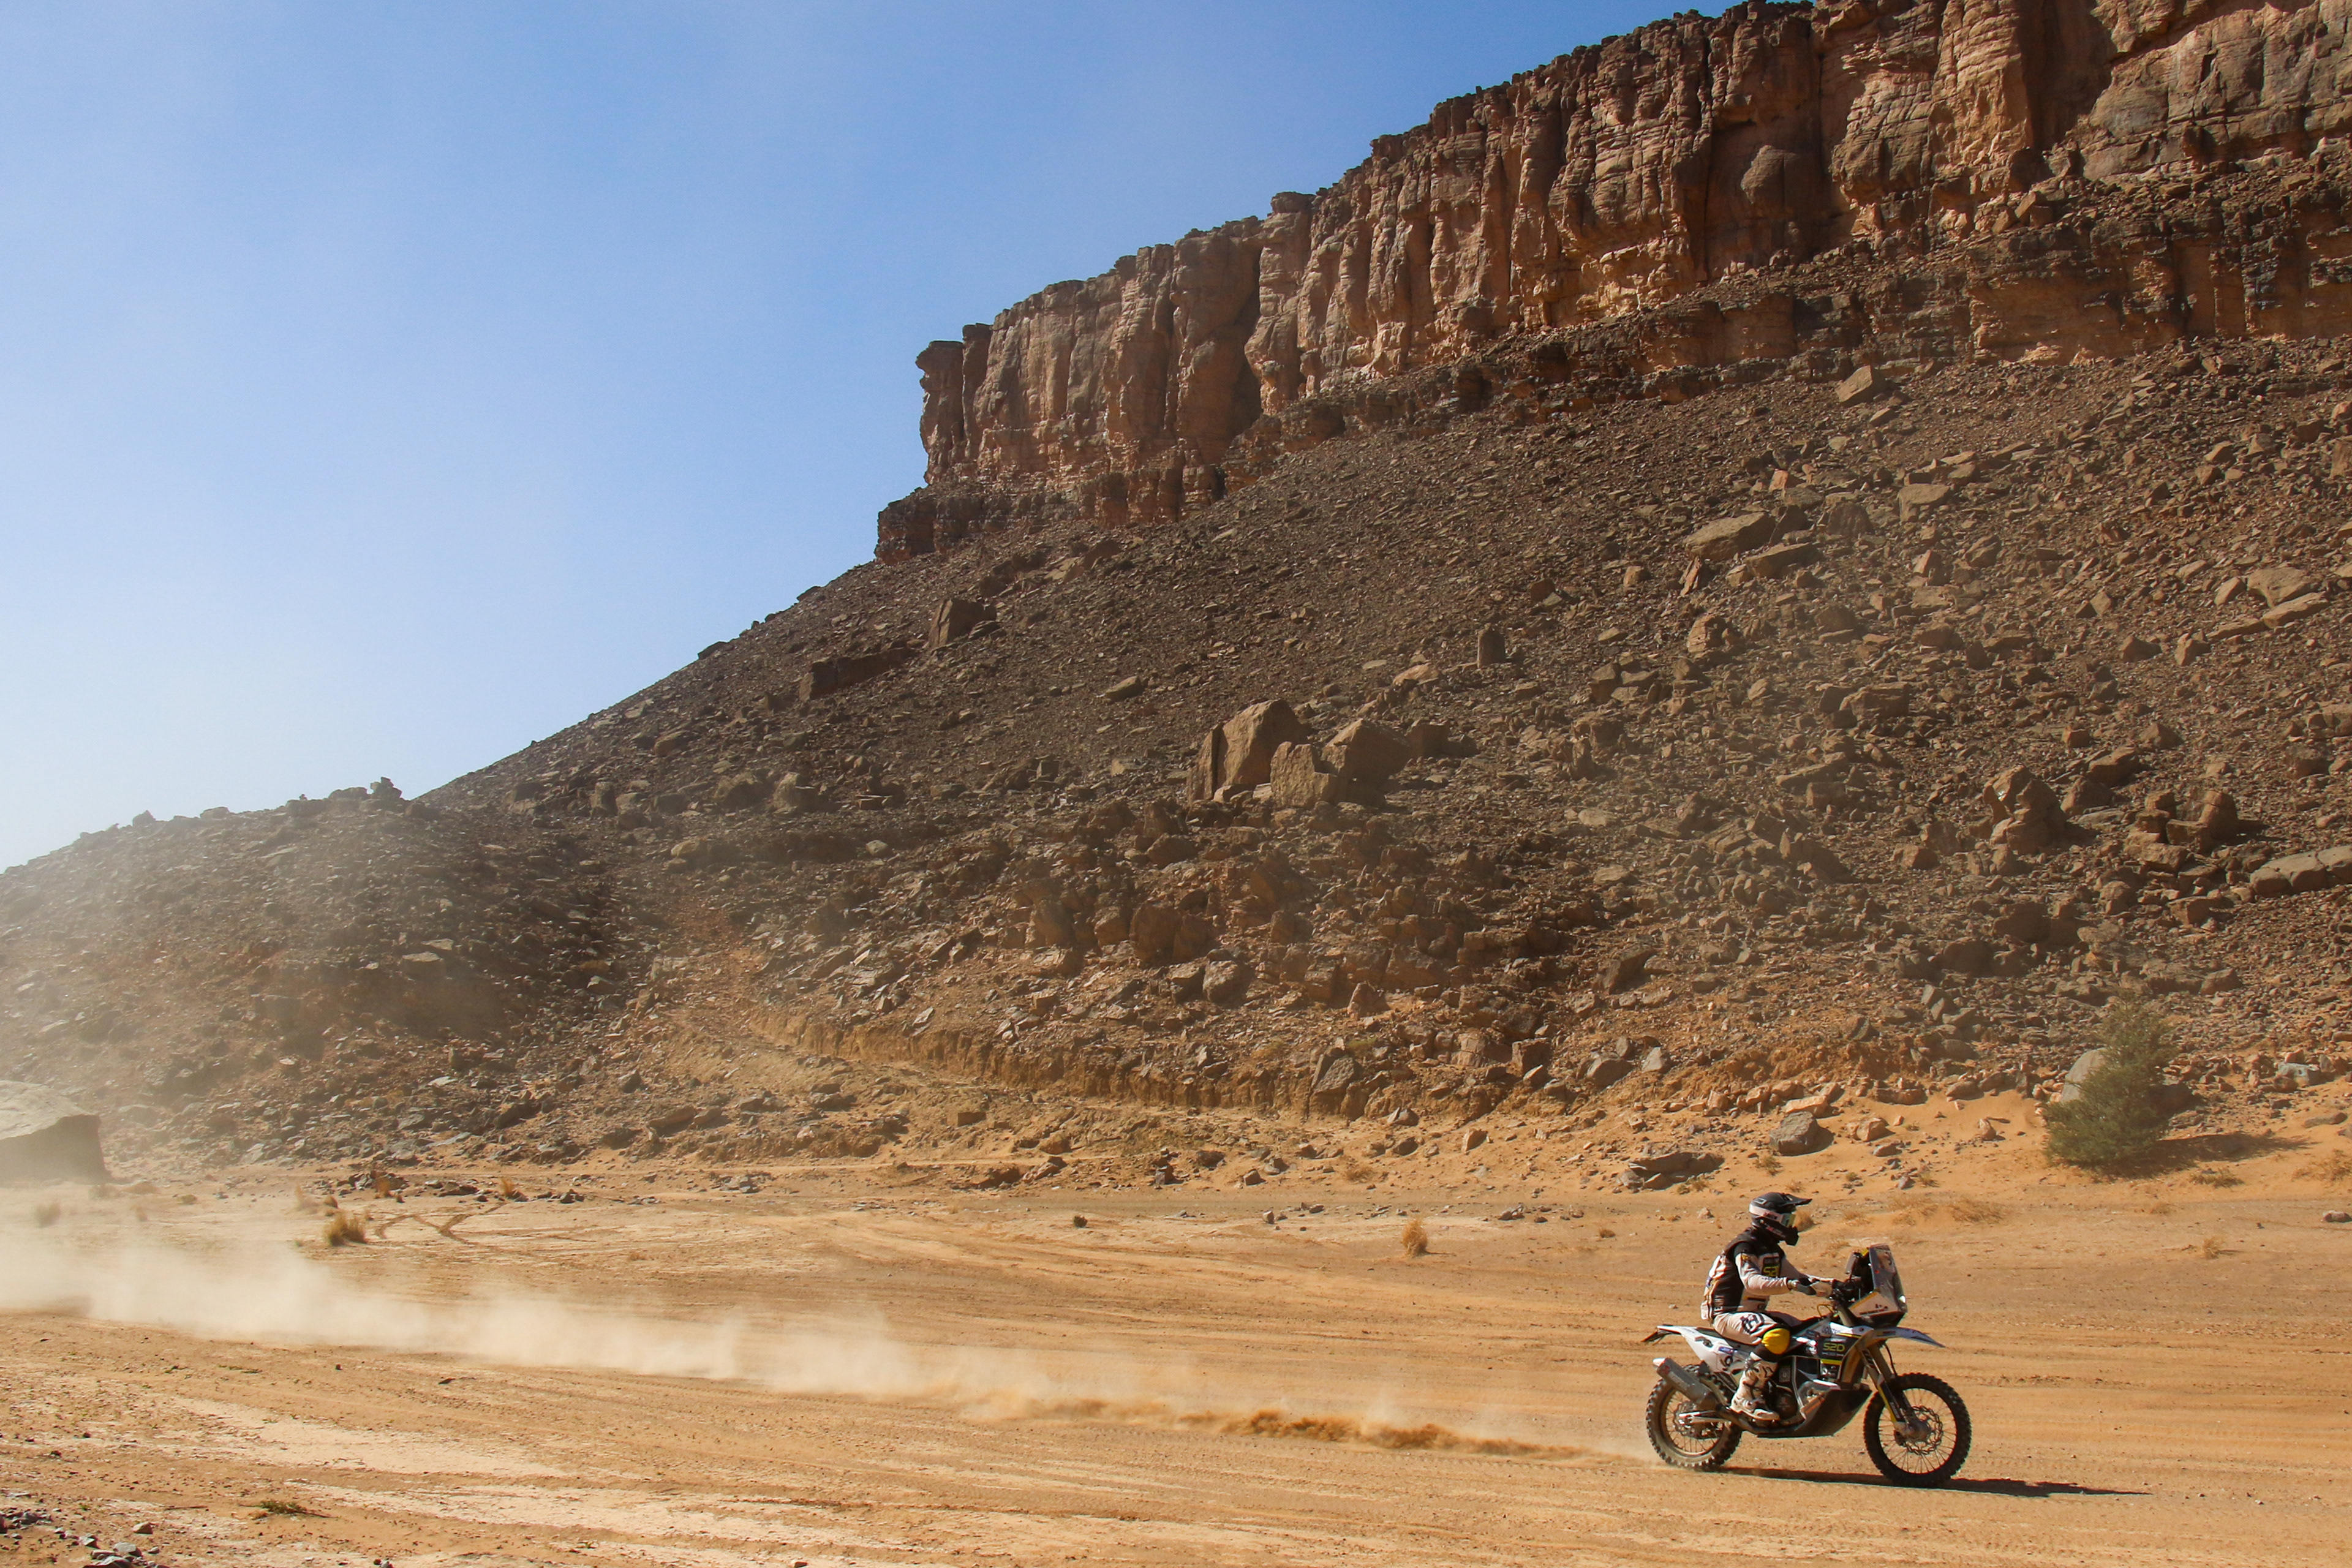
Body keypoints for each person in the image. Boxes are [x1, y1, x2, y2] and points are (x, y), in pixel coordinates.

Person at [1702, 1191, 1824, 1422]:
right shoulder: (1745, 1246)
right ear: (1770, 1220)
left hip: (1752, 1314)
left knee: (1810, 1331)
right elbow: (1753, 1283)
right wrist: (1790, 1285)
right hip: (1728, 1313)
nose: (1791, 1226)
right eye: (1787, 1220)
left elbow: (1801, 1278)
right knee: (1778, 1336)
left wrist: (1836, 1286)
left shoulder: (1772, 1249)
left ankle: (1783, 1392)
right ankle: (1746, 1395)